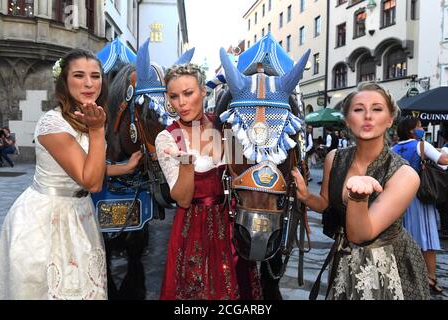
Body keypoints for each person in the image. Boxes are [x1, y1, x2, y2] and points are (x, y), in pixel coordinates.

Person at [292, 82, 430, 300]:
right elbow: (326, 203)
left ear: (390, 119)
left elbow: (360, 234)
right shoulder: (334, 158)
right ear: (347, 120)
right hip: (342, 262)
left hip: (389, 268)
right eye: (358, 109)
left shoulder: (404, 174)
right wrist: (305, 195)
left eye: (377, 109)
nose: (368, 116)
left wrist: (358, 196)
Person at [0, 49, 111, 300]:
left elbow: (90, 164)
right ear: (64, 81)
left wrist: (126, 166)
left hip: (79, 214)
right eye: (79, 75)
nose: (89, 83)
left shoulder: (85, 118)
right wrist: (98, 130)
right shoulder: (52, 124)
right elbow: (92, 181)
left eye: (95, 76)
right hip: (45, 221)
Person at [155, 63, 261, 300]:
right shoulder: (167, 138)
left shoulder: (225, 127)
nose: (181, 102)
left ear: (203, 91)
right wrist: (186, 163)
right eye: (174, 96)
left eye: (188, 93)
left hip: (230, 223)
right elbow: (182, 200)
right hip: (192, 227)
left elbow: (239, 176)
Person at [392, 117, 448, 294]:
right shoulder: (421, 145)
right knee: (427, 238)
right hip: (419, 196)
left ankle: (407, 275)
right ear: (411, 130)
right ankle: (430, 277)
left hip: (400, 198)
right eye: (418, 126)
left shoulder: (393, 148)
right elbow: (443, 160)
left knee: (407, 236)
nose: (421, 128)